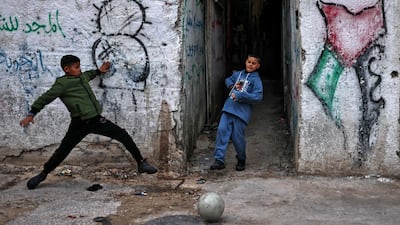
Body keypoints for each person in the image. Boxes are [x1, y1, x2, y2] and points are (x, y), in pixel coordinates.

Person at [20, 55, 157, 190]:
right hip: (79, 123)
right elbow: (45, 98)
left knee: (122, 135)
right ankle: (44, 173)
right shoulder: (62, 84)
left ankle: (141, 163)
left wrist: (99, 71)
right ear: (67, 69)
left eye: (79, 67)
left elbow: (89, 74)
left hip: (96, 120)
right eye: (76, 67)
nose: (79, 70)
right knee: (63, 150)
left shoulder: (82, 77)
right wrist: (32, 113)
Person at [210, 54, 263, 171]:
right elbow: (228, 79)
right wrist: (229, 85)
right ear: (245, 62)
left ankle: (241, 159)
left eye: (254, 63)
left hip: (241, 114)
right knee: (221, 131)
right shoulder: (238, 74)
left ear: (258, 66)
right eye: (249, 62)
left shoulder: (256, 80)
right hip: (228, 108)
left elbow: (258, 97)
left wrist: (241, 95)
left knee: (237, 138)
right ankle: (219, 160)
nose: (251, 64)